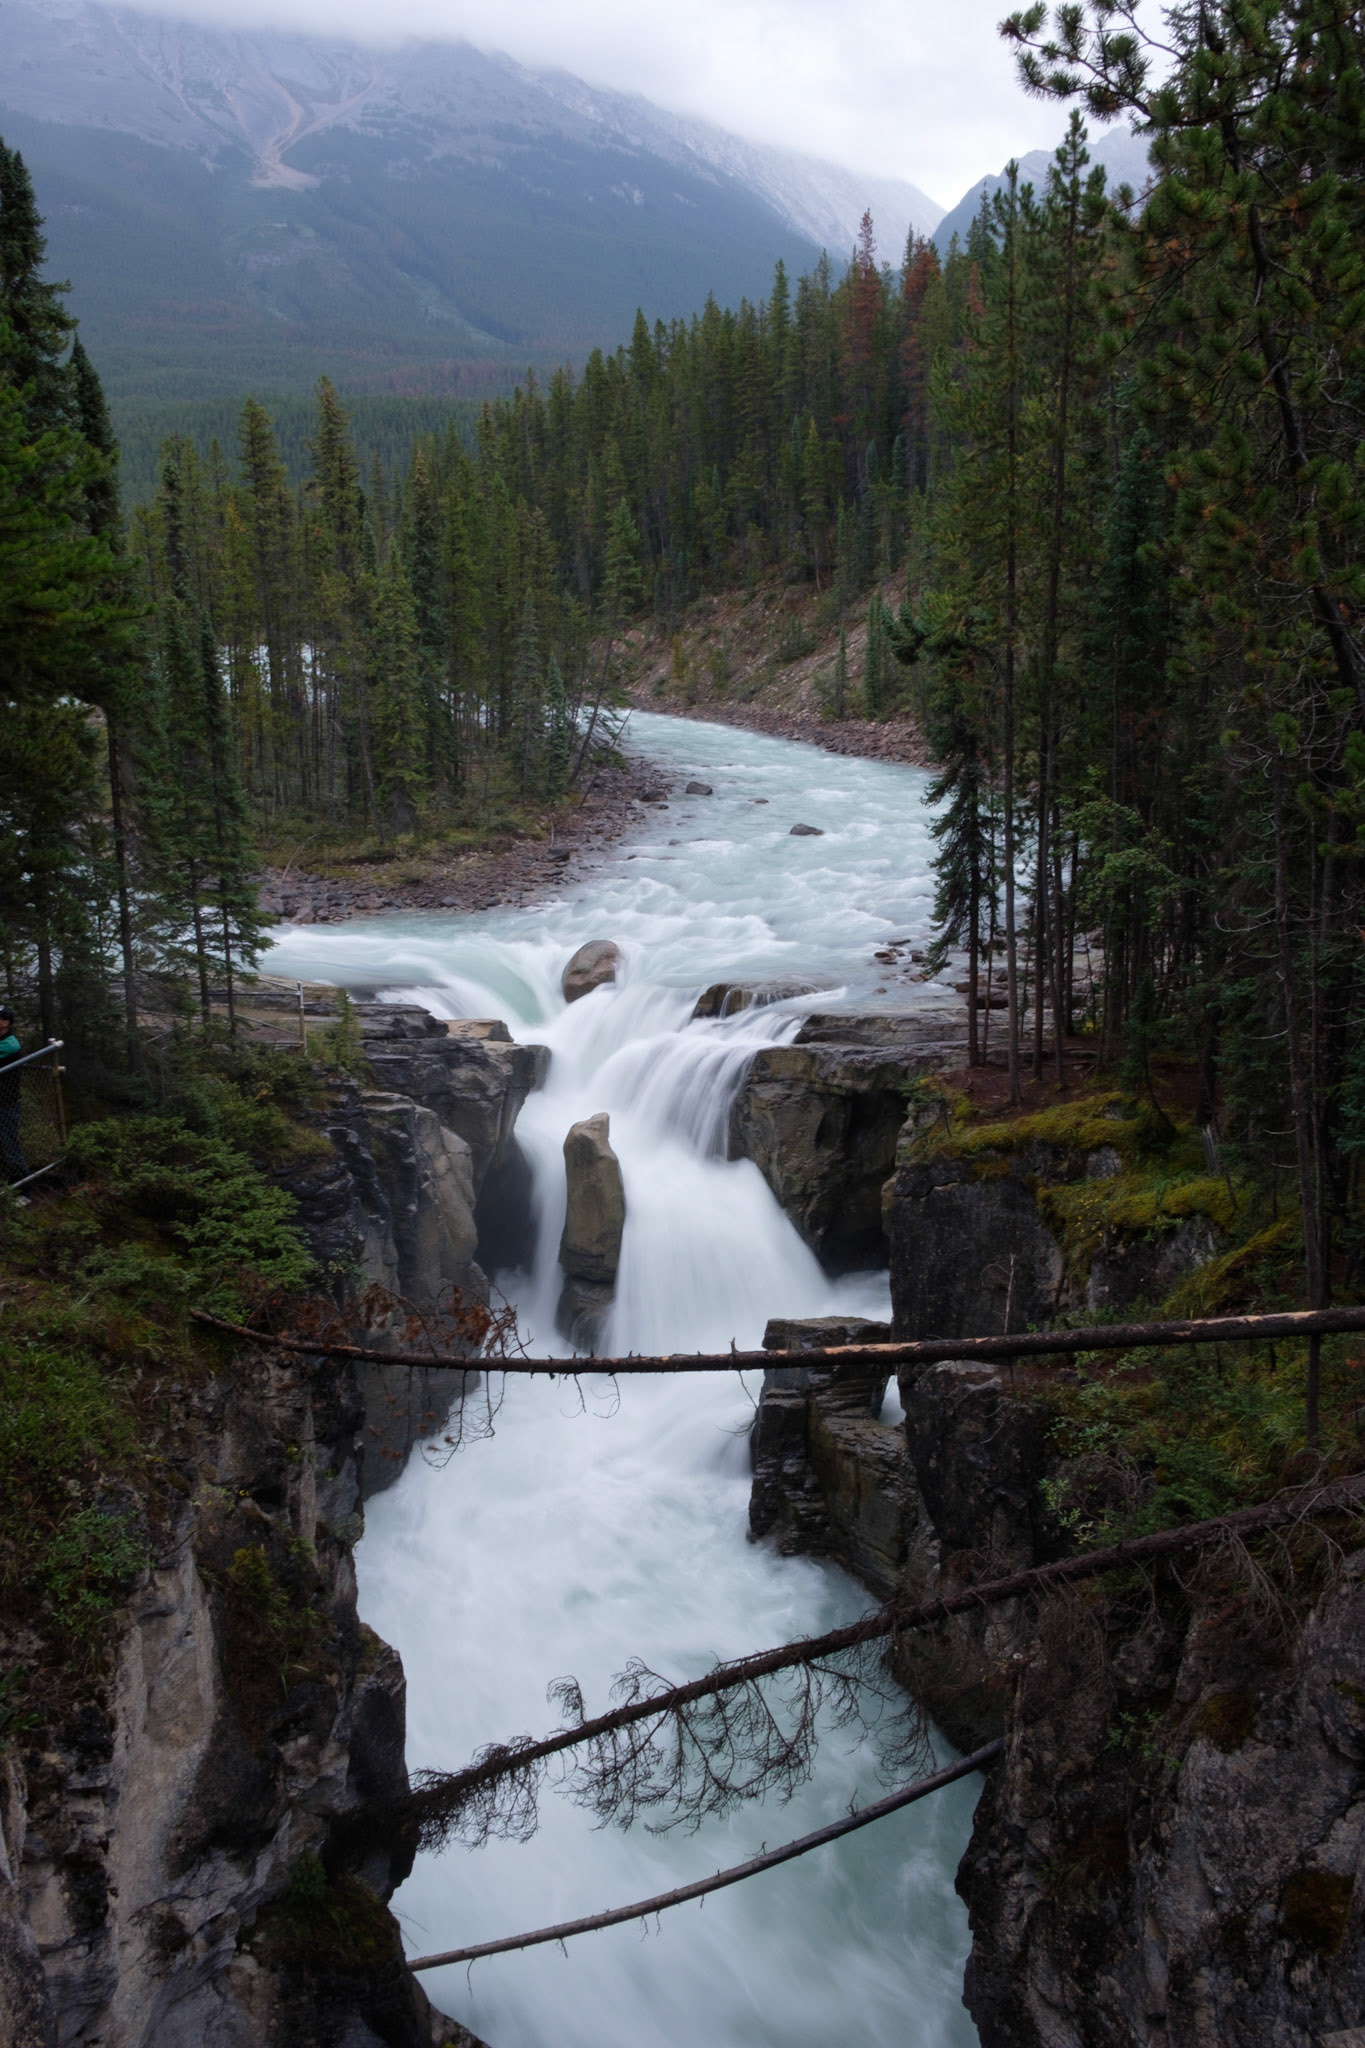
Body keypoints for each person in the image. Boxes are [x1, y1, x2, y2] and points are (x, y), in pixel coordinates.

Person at [0, 1005, 29, 1185]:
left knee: (10, 1146)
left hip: (6, 1104)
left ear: (5, 1023)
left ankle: (24, 1189)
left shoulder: (9, 1044)